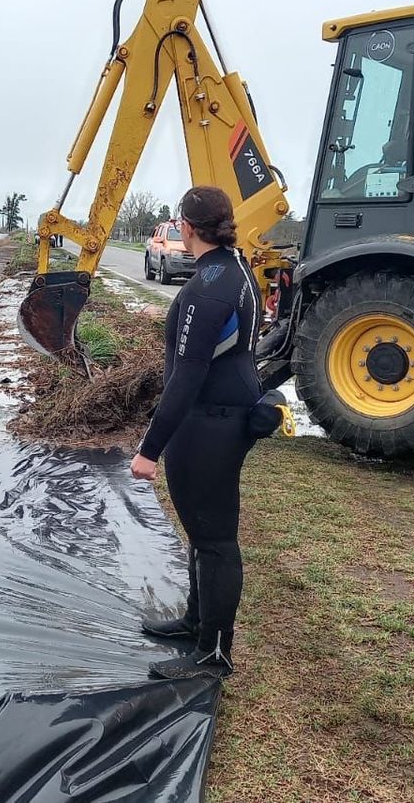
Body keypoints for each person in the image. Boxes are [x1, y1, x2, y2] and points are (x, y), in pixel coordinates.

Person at [129, 185, 261, 680]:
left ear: (186, 226)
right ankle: (195, 622)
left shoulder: (207, 287)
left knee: (215, 540)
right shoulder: (235, 270)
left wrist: (149, 449)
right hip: (225, 416)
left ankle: (213, 654)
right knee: (202, 534)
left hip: (208, 422)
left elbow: (187, 375)